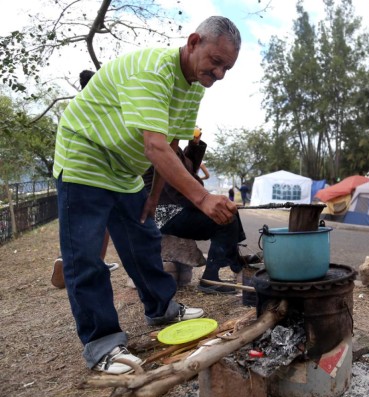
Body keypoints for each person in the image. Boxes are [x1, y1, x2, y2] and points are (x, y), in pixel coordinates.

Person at [52, 16, 241, 375]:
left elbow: (170, 141)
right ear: (193, 41)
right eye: (215, 62)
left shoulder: (192, 88)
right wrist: (202, 198)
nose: (219, 74)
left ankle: (161, 308)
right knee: (87, 256)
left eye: (226, 68)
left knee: (143, 238)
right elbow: (154, 146)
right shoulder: (153, 71)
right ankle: (102, 343)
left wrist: (154, 197)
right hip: (85, 155)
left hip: (124, 169)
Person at [143, 137, 246, 295]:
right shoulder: (162, 147)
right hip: (165, 212)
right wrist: (205, 204)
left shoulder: (172, 147)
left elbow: (189, 168)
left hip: (173, 207)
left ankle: (236, 263)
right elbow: (178, 189)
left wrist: (195, 145)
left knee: (228, 211)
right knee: (224, 220)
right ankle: (211, 278)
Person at [51, 69, 119, 290]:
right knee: (100, 225)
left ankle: (72, 261)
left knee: (81, 229)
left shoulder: (76, 107)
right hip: (94, 175)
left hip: (69, 172)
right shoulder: (98, 107)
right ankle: (88, 263)